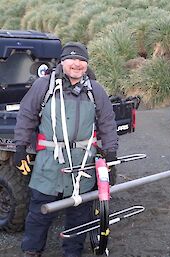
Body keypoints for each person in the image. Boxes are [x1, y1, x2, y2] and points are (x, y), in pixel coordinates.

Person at [14, 42, 119, 257]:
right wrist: (20, 147)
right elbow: (26, 115)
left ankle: (72, 253)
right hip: (48, 163)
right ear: (62, 61)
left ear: (86, 64)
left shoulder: (95, 90)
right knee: (39, 213)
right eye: (72, 59)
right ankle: (32, 251)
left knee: (80, 214)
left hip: (83, 163)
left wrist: (110, 152)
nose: (77, 64)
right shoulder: (44, 86)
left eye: (81, 60)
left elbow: (107, 122)